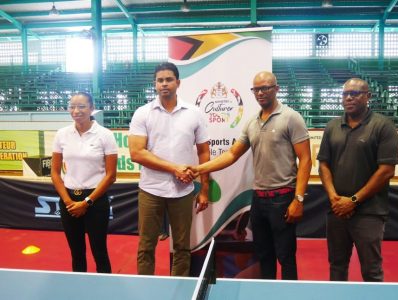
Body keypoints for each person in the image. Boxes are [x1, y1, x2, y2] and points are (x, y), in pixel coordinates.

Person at [191, 71, 312, 280]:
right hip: (259, 199)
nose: (261, 92)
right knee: (264, 255)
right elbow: (231, 155)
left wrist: (298, 199)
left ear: (276, 89)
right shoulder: (251, 123)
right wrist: (199, 169)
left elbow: (306, 160)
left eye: (266, 87)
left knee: (286, 257)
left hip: (283, 198)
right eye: (257, 89)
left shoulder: (291, 118)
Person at [128, 62, 210, 276]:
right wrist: (175, 169)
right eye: (160, 80)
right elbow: (136, 153)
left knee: (182, 246)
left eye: (168, 79)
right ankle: (147, 289)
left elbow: (204, 153)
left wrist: (204, 189)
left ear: (178, 83)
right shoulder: (142, 113)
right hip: (150, 190)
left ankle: (179, 288)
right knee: (146, 246)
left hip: (183, 191)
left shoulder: (195, 113)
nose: (164, 84)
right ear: (155, 84)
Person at [317, 78, 398, 282]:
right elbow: (323, 165)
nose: (349, 98)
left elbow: (386, 171)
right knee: (337, 267)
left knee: (371, 271)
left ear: (368, 96)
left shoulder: (383, 126)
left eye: (355, 93)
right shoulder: (332, 126)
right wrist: (334, 198)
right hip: (337, 211)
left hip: (369, 213)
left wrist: (353, 200)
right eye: (345, 94)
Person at [51, 92, 118, 273]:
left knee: (99, 251)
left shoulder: (105, 135)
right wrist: (67, 202)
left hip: (95, 200)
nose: (76, 111)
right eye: (72, 106)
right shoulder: (62, 134)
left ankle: (105, 290)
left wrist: (87, 202)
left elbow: (111, 175)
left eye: (81, 106)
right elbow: (55, 173)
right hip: (69, 201)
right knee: (77, 253)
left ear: (92, 108)